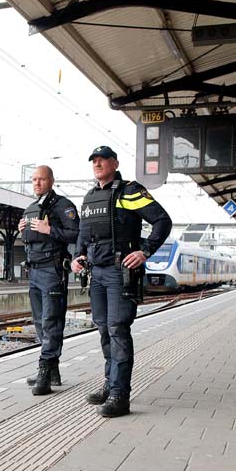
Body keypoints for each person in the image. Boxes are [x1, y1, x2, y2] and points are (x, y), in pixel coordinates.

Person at [71, 146, 172, 417]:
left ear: (115, 163)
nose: (97, 163)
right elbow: (83, 234)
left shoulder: (129, 191)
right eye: (94, 160)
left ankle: (120, 395)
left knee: (117, 329)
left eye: (103, 159)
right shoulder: (90, 196)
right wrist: (78, 256)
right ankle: (109, 384)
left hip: (119, 272)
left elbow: (162, 221)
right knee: (103, 328)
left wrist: (145, 250)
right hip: (97, 273)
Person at [19, 165, 80, 396]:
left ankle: (45, 370)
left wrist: (50, 229)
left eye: (41, 179)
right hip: (34, 271)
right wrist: (22, 230)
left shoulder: (63, 206)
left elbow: (76, 233)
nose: (36, 183)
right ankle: (52, 371)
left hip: (52, 271)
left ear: (51, 180)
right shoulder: (31, 208)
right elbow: (31, 238)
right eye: (34, 179)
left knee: (51, 321)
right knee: (39, 321)